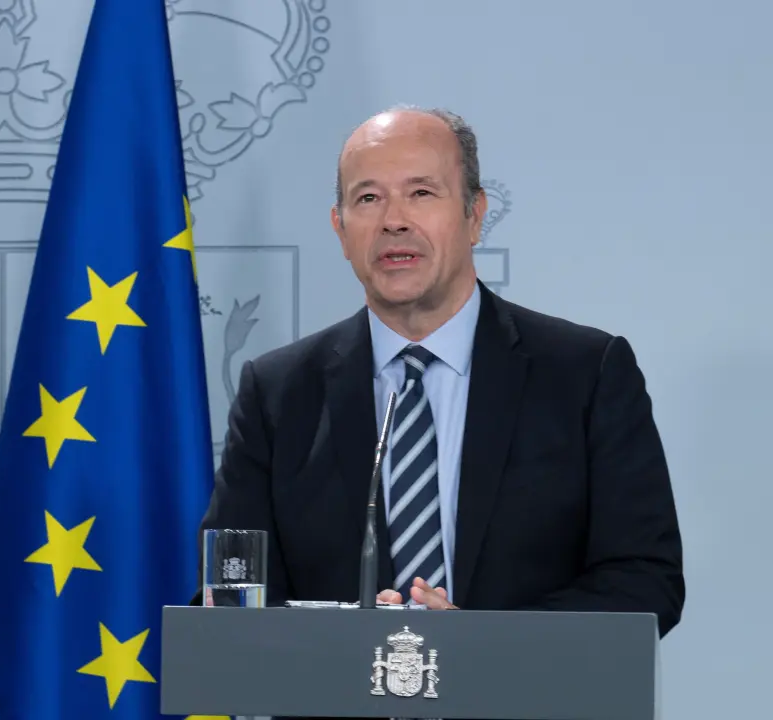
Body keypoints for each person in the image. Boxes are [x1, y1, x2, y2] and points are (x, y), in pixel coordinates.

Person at [198, 106, 685, 639]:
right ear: (340, 229)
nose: (394, 220)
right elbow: (229, 598)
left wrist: (477, 645)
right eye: (368, 198)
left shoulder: (585, 375)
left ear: (476, 215)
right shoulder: (278, 394)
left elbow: (644, 582)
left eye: (421, 193)